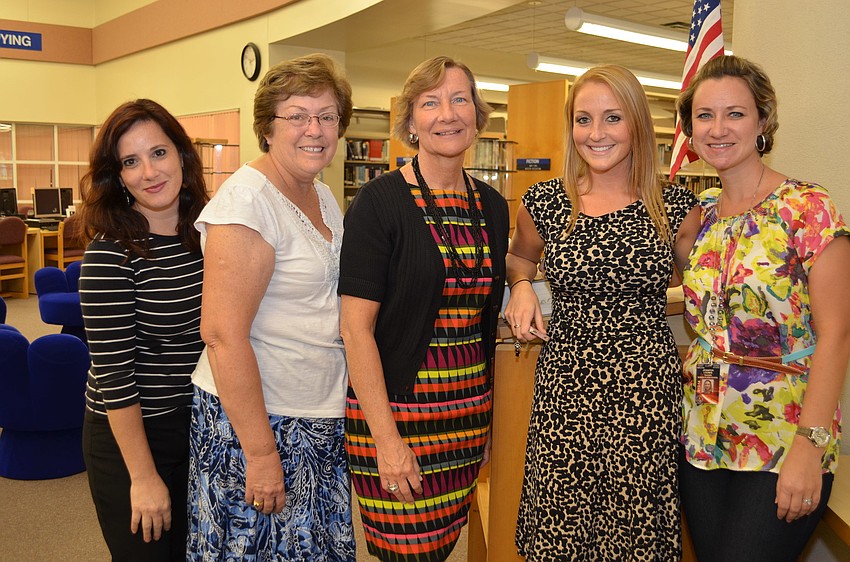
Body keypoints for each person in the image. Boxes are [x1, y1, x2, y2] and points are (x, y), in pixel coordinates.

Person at [504, 65, 701, 560]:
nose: (596, 133)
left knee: (635, 533)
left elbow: (706, 291)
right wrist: (522, 286)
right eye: (583, 119)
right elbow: (519, 256)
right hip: (565, 389)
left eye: (612, 118)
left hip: (644, 394)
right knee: (561, 531)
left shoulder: (675, 208)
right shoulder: (546, 202)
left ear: (635, 123)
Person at [677, 55, 850, 562]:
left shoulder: (807, 207)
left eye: (735, 113)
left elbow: (837, 332)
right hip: (701, 432)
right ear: (690, 129)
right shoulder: (701, 217)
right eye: (705, 116)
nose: (718, 128)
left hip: (783, 434)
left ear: (763, 121)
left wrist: (809, 447)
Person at [338, 56, 509, 561]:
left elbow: (480, 319)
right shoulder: (378, 202)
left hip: (465, 419)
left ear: (476, 115)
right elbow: (355, 330)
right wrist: (386, 442)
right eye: (430, 103)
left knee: (443, 547)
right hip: (396, 420)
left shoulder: (492, 206)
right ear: (411, 122)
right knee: (406, 554)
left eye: (460, 100)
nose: (447, 114)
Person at [186, 53, 356, 560]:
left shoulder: (322, 195)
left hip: (315, 415)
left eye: (327, 116)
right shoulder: (247, 202)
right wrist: (261, 454)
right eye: (298, 115)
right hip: (259, 423)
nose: (315, 129)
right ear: (267, 127)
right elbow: (221, 335)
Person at [78, 98, 208, 561]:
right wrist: (144, 476)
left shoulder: (208, 233)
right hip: (130, 436)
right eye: (130, 162)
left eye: (158, 152)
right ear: (118, 177)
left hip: (196, 426)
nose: (149, 171)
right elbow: (115, 377)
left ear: (181, 154)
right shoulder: (110, 254)